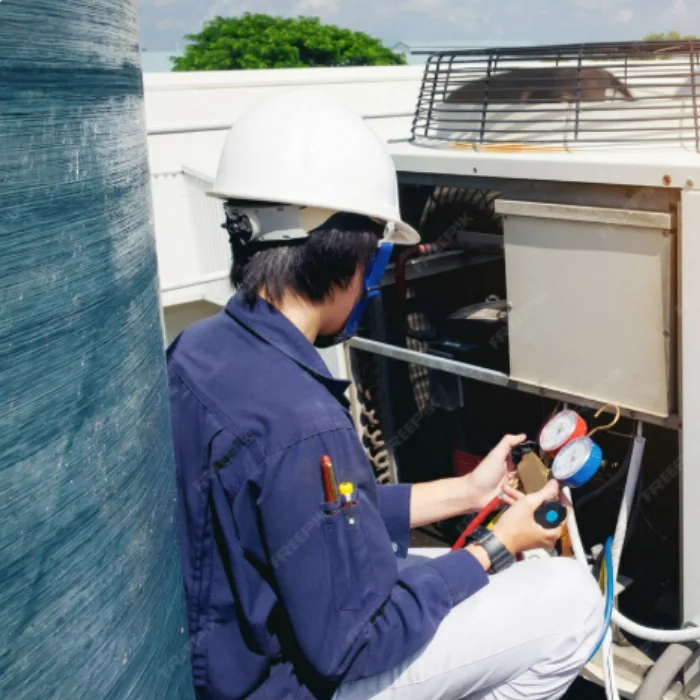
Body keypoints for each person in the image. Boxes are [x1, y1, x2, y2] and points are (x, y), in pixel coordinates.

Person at [167, 90, 604, 700]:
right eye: (376, 262)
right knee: (570, 600)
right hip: (286, 683)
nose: (372, 284)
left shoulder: (198, 349)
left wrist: (470, 491)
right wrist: (496, 546)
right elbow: (359, 639)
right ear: (345, 256)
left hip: (231, 655)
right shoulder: (303, 421)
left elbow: (316, 520)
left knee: (438, 573)